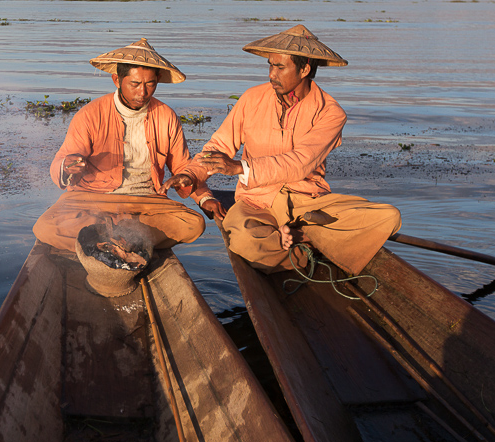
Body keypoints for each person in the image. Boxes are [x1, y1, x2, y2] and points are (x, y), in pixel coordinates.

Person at [190, 24, 401, 276]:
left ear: (305, 69)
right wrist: (192, 175)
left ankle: (303, 232)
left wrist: (239, 167)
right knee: (245, 241)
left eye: (280, 67)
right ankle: (305, 247)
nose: (271, 74)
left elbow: (300, 163)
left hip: (307, 202)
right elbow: (218, 146)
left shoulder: (331, 113)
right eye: (270, 65)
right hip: (258, 201)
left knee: (389, 217)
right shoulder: (252, 98)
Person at [32, 38, 216, 253]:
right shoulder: (90, 114)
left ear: (157, 80)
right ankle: (131, 239)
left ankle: (111, 239)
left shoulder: (166, 116)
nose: (143, 92)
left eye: (150, 84)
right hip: (92, 199)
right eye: (135, 84)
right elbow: (62, 160)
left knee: (193, 224)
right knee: (45, 227)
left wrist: (205, 198)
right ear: (116, 80)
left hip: (147, 200)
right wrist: (67, 166)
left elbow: (183, 167)